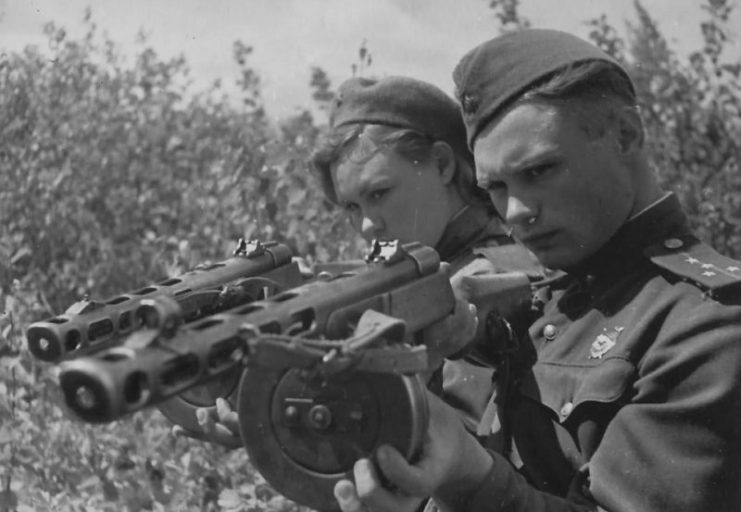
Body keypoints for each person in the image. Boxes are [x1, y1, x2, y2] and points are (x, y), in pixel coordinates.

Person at [334, 29, 741, 512]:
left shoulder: (708, 327)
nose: (515, 212)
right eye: (497, 187)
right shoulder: (539, 297)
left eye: (540, 171)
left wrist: (469, 478)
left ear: (626, 136)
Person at [176, 76, 541, 449]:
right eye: (351, 206)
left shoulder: (499, 277)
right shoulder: (404, 277)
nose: (368, 224)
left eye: (379, 193)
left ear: (443, 164)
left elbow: (455, 456)